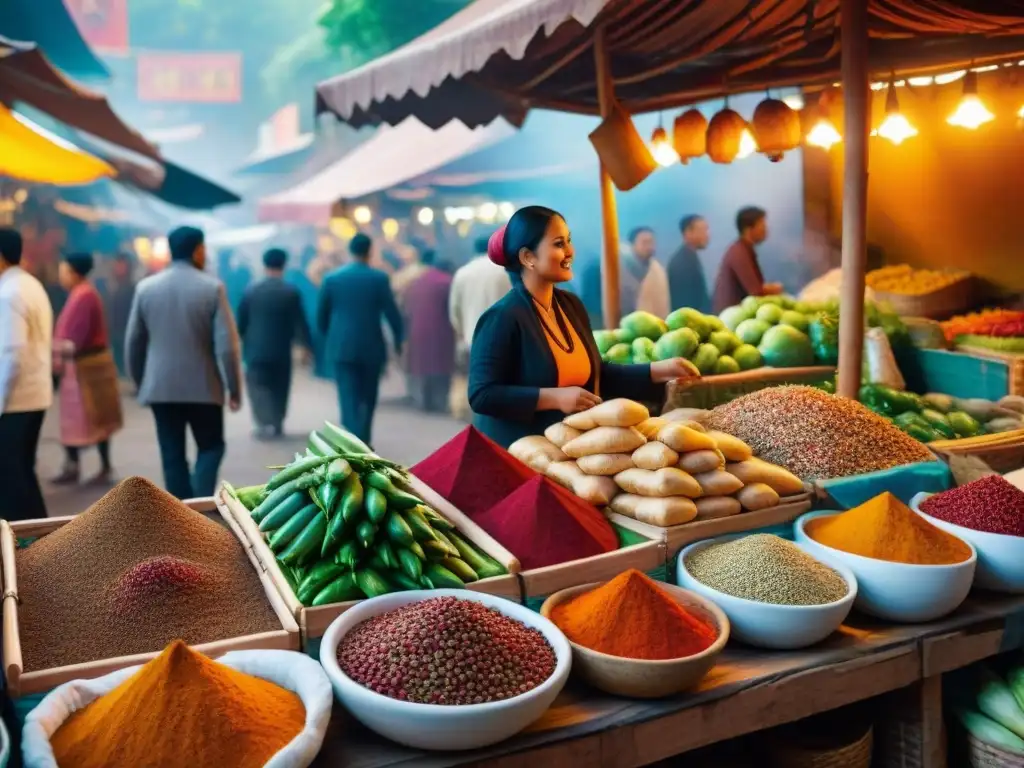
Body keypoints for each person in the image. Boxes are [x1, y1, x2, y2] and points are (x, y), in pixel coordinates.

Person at [469, 206, 701, 447]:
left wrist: (658, 369)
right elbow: (482, 395)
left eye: (569, 241)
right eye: (559, 244)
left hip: (568, 450)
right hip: (517, 454)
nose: (570, 251)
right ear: (529, 257)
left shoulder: (570, 305)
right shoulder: (503, 317)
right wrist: (552, 398)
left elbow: (598, 373)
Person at [125, 226, 242, 500]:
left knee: (171, 453)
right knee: (211, 447)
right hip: (204, 388)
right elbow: (228, 347)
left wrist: (141, 383)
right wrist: (234, 389)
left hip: (161, 389)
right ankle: (201, 504)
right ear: (198, 250)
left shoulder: (146, 288)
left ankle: (181, 512)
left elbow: (134, 343)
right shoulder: (212, 288)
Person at [317, 233, 403, 446]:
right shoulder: (379, 278)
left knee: (347, 395)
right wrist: (399, 340)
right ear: (370, 251)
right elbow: (392, 314)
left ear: (350, 250)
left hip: (341, 346)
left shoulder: (331, 278)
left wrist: (330, 338)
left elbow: (321, 317)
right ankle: (363, 437)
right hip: (371, 345)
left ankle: (351, 437)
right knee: (368, 395)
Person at [51, 253, 123, 485]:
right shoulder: (83, 293)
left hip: (86, 366)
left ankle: (80, 466)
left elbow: (76, 338)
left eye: (63, 269)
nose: (60, 275)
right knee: (95, 417)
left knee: (90, 417)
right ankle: (93, 465)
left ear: (73, 271)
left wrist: (53, 349)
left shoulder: (83, 295)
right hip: (87, 365)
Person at [0, 229, 52, 520]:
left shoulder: (8, 294)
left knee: (10, 477)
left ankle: (21, 544)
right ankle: (40, 535)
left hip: (16, 399)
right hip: (35, 395)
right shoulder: (30, 284)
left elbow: (12, 354)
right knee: (22, 470)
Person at [237, 248, 313, 439]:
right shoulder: (290, 291)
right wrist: (306, 346)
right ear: (284, 265)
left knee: (257, 386)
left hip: (255, 349)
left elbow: (241, 322)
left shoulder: (251, 290)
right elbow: (300, 322)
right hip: (281, 349)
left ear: (264, 265)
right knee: (280, 386)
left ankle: (263, 423)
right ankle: (277, 422)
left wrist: (238, 342)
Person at [404, 249, 455, 413]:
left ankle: (423, 401)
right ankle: (439, 402)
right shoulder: (447, 282)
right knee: (441, 369)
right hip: (441, 332)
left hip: (417, 330)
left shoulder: (418, 280)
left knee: (423, 367)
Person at [713, 206, 783, 312]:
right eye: (762, 225)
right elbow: (756, 292)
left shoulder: (742, 248)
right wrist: (774, 289)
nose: (766, 230)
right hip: (732, 318)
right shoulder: (739, 252)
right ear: (748, 229)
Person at [449, 236, 513, 353]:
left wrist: (462, 332)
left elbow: (455, 310)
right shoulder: (507, 271)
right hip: (505, 337)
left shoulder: (462, 273)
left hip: (474, 337)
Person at [620, 226, 670, 318]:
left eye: (651, 242)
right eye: (645, 242)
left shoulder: (657, 270)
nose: (649, 247)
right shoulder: (621, 268)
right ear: (632, 245)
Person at [667, 215, 712, 313]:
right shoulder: (681, 263)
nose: (707, 235)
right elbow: (685, 305)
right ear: (688, 233)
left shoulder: (689, 257)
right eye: (703, 230)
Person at [105, 253, 136, 378]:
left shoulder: (133, 289)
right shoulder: (111, 289)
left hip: (127, 333)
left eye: (122, 265)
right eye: (117, 265)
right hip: (113, 334)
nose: (118, 268)